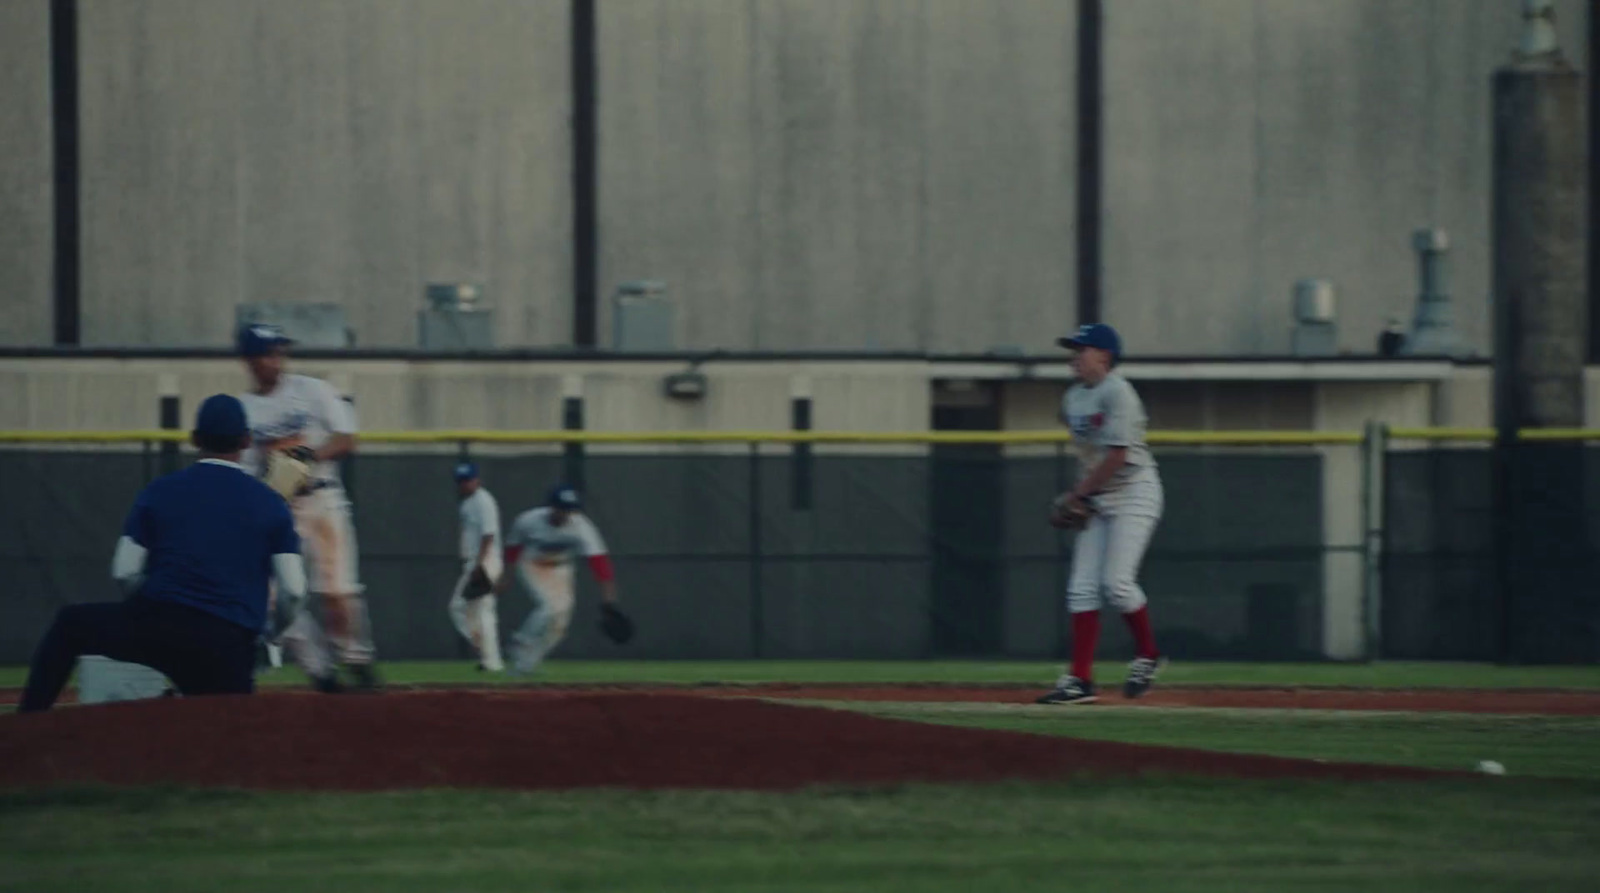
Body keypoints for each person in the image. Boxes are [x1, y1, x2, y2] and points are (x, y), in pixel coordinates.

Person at [18, 395, 306, 712]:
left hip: (157, 624)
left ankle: (25, 724)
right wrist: (270, 637)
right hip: (225, 645)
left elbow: (124, 571)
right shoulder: (271, 504)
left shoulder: (160, 490)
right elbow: (293, 590)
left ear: (195, 440)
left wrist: (147, 609)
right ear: (247, 440)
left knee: (70, 624)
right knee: (228, 734)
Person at [236, 323, 380, 693]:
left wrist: (306, 458)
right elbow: (247, 469)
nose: (276, 360)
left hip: (323, 498)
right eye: (268, 353)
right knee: (275, 597)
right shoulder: (245, 409)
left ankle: (356, 659)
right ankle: (321, 673)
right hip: (280, 505)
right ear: (251, 360)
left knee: (337, 589)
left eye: (279, 352)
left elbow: (347, 438)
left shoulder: (312, 390)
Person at [1038, 323, 1166, 705]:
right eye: (1073, 350)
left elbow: (1118, 455)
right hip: (1100, 495)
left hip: (1134, 492)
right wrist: (1087, 496)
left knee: (1117, 584)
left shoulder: (1119, 393)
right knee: (1081, 587)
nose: (1074, 356)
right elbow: (1089, 453)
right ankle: (1079, 680)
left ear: (1104, 357)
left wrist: (1079, 493)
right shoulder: (1072, 398)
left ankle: (1148, 654)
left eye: (1082, 349)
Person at [501, 485, 619, 674]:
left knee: (559, 627)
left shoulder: (582, 527)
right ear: (551, 506)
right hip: (533, 565)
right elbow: (513, 548)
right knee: (550, 607)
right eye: (561, 508)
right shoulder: (528, 520)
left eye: (569, 509)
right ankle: (520, 641)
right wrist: (507, 576)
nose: (565, 513)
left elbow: (599, 562)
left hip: (562, 569)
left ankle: (524, 666)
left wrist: (609, 600)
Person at [447, 461, 504, 671]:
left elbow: (489, 534)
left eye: (467, 479)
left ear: (477, 479)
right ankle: (487, 655)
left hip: (486, 560)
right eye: (460, 481)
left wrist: (480, 565)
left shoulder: (484, 500)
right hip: (475, 561)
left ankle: (492, 661)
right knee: (464, 609)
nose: (464, 484)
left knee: (480, 610)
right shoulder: (467, 503)